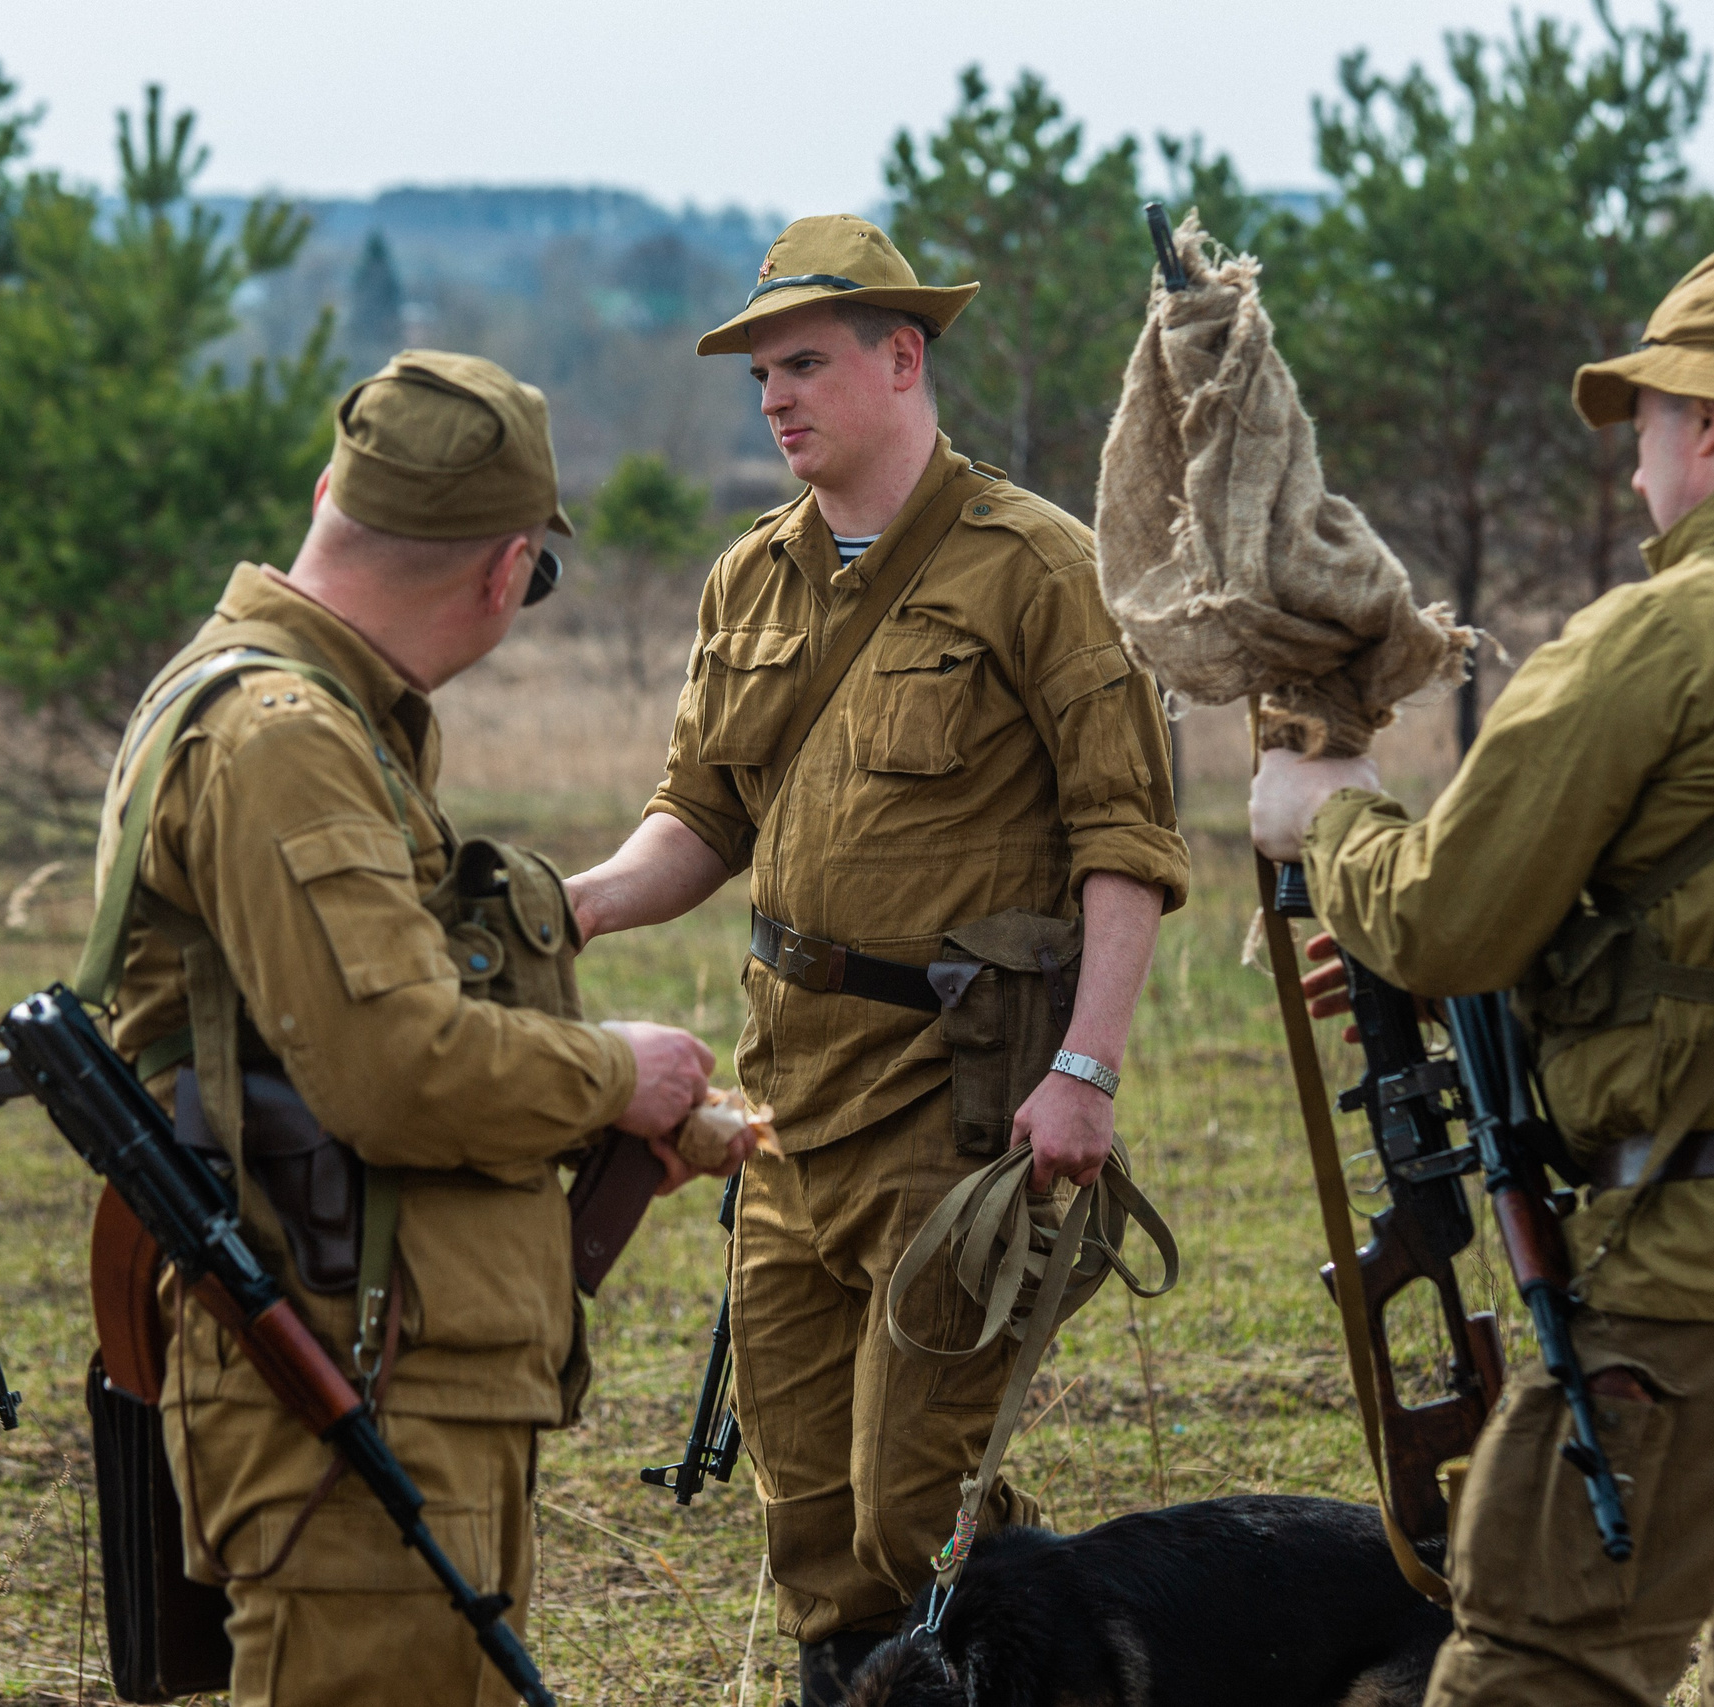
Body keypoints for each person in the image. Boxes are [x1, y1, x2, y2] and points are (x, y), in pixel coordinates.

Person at [1250, 234, 1714, 1706]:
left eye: (1646, 422)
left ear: (1709, 419)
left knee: (1539, 1667)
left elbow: (1446, 914)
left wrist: (1325, 816)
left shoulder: (1663, 635)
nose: (1637, 464)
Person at [564, 214, 1191, 1706]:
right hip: (788, 1116)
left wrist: (1085, 1073)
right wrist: (566, 906)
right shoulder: (751, 581)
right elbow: (701, 819)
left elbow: (1128, 842)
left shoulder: (1039, 568)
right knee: (817, 1534)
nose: (775, 397)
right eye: (760, 373)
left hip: (959, 1111)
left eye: (806, 364)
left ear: (903, 358)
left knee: (923, 1508)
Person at [91, 348, 735, 1707]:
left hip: (392, 1366)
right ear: (508, 572)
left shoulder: (305, 716)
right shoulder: (284, 736)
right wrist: (618, 1074)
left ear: (332, 490)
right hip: (348, 1385)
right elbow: (396, 1067)